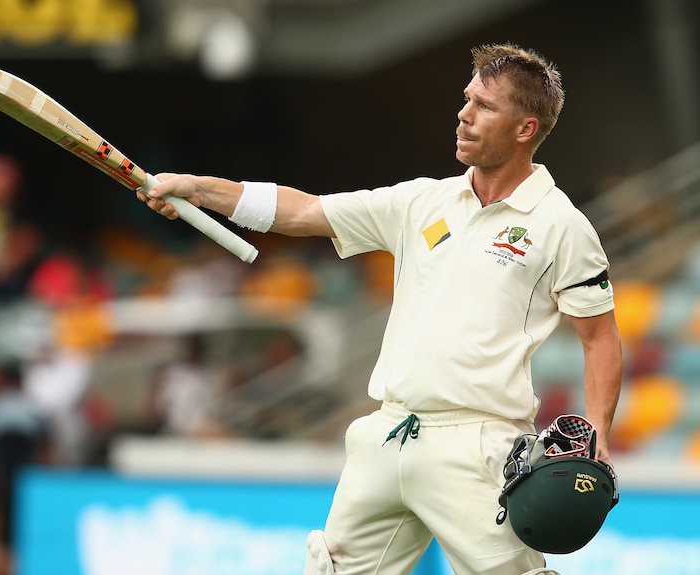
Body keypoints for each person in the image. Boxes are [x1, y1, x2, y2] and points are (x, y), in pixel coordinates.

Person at [137, 43, 623, 575]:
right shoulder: (421, 201)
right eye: (467, 99)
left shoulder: (561, 225)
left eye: (484, 106)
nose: (463, 113)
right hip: (387, 433)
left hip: (477, 445)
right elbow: (304, 211)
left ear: (525, 129)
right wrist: (198, 190)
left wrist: (597, 429)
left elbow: (598, 338)